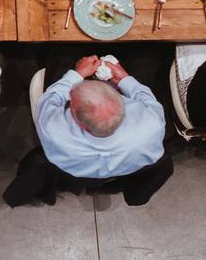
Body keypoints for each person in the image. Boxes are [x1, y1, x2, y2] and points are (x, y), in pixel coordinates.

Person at [36, 55, 164, 179]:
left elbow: (48, 100)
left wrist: (77, 74)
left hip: (74, 171)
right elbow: (147, 99)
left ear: (81, 125)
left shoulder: (53, 129)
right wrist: (124, 79)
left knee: (64, 53)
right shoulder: (151, 125)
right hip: (130, 169)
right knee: (147, 57)